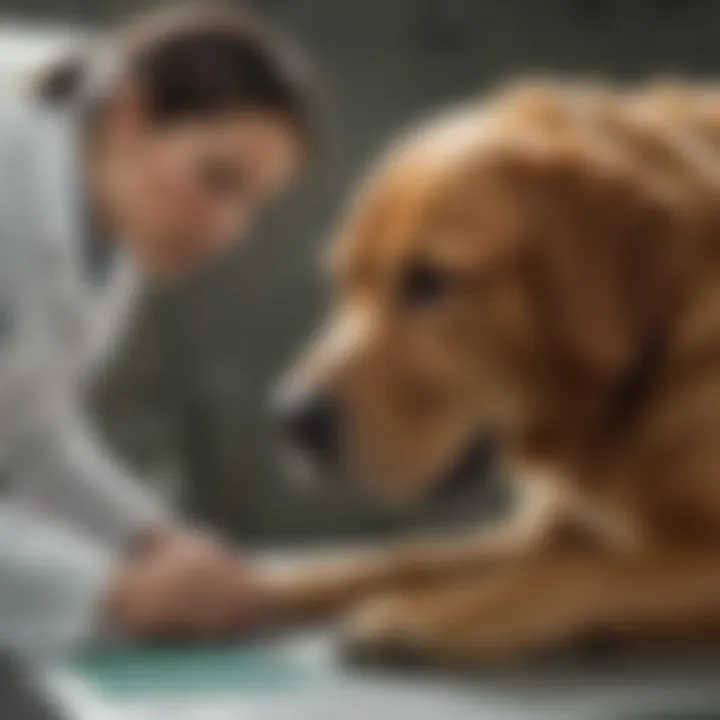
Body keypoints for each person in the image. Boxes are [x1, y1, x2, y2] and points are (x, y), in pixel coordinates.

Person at [0, 3, 315, 655]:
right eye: (217, 178)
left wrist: (152, 536)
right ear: (127, 115)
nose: (229, 230)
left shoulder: (107, 235)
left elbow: (31, 431)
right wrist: (111, 592)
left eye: (251, 202)